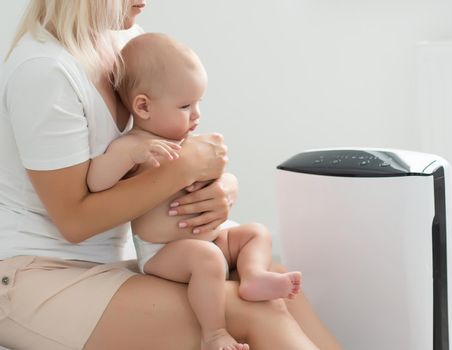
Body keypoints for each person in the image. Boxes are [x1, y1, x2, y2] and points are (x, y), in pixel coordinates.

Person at [0, 1, 341, 349]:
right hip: (34, 277)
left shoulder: (126, 43)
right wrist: (186, 168)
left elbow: (168, 155)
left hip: (111, 263)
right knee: (255, 312)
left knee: (276, 284)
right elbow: (74, 221)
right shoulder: (45, 70)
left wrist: (221, 190)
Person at [86, 32, 302, 350]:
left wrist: (224, 182)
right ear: (143, 107)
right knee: (209, 260)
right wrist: (130, 158)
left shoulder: (186, 143)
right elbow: (96, 182)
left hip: (210, 236)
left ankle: (253, 275)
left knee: (256, 233)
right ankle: (213, 334)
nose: (197, 114)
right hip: (163, 252)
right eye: (186, 105)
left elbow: (214, 181)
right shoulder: (133, 146)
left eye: (198, 102)